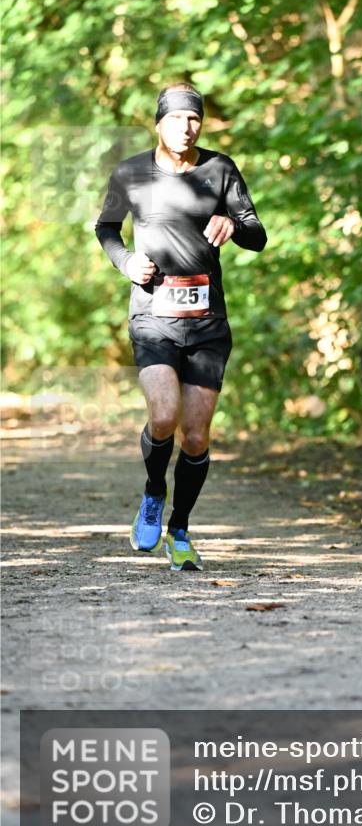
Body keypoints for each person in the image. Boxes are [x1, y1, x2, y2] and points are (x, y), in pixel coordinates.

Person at [95, 83, 267, 571]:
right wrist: (126, 262)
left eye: (194, 119)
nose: (186, 127)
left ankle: (181, 529)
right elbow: (106, 228)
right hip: (153, 315)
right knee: (164, 416)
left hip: (208, 321)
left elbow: (258, 235)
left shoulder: (220, 169)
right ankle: (153, 492)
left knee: (195, 436)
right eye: (176, 119)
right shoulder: (131, 172)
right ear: (159, 123)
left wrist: (233, 225)